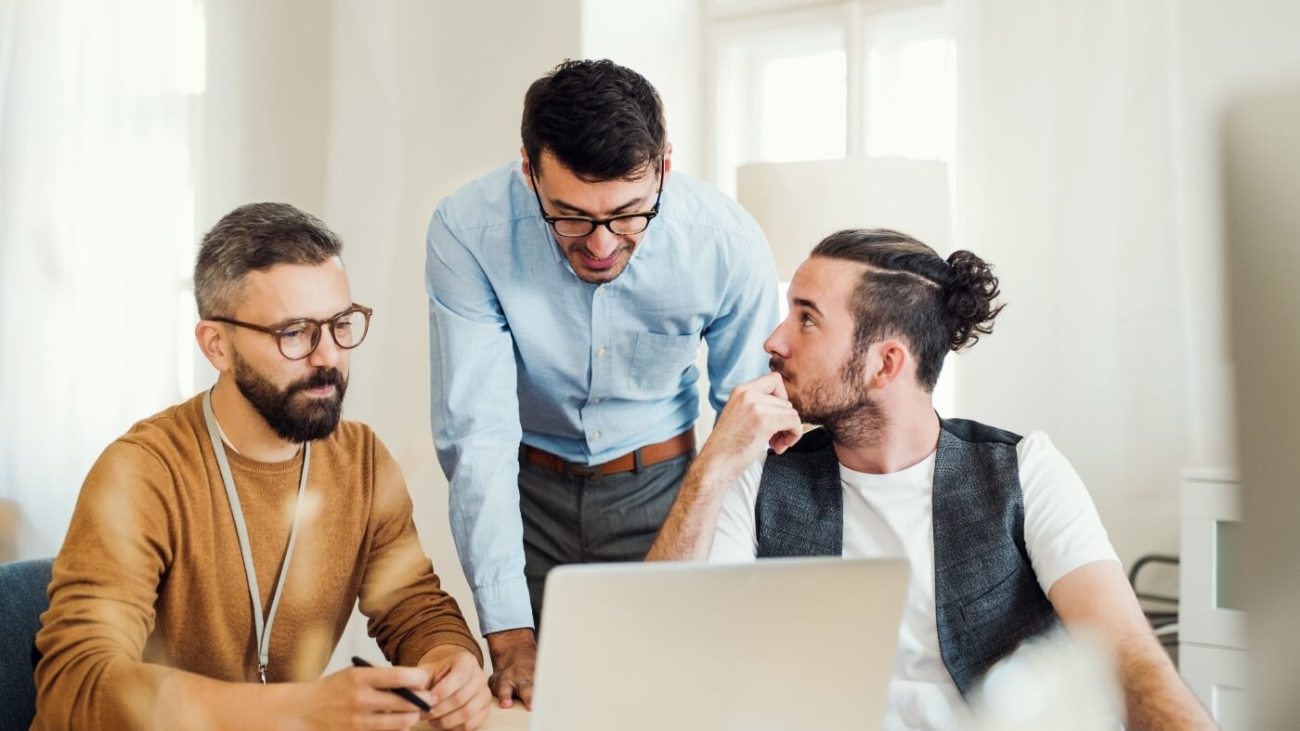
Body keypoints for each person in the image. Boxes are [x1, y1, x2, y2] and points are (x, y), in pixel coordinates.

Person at [647, 229, 1217, 731]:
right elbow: (666, 647)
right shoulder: (758, 475)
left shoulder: (1025, 470)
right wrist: (715, 462)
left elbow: (1129, 659)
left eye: (807, 318)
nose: (773, 341)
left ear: (886, 364)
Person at [34, 203, 491, 731]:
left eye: (341, 324)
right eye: (294, 333)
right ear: (217, 346)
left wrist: (451, 663)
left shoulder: (361, 460)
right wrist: (300, 708)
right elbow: (76, 686)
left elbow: (416, 608)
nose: (328, 357)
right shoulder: (142, 472)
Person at [425, 59, 779, 706]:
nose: (601, 245)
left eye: (629, 214)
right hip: (526, 498)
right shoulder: (466, 231)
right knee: (543, 706)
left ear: (664, 167)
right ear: (529, 170)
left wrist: (732, 566)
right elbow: (477, 435)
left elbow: (750, 421)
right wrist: (507, 631)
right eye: (569, 216)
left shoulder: (726, 243)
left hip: (666, 490)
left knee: (672, 703)